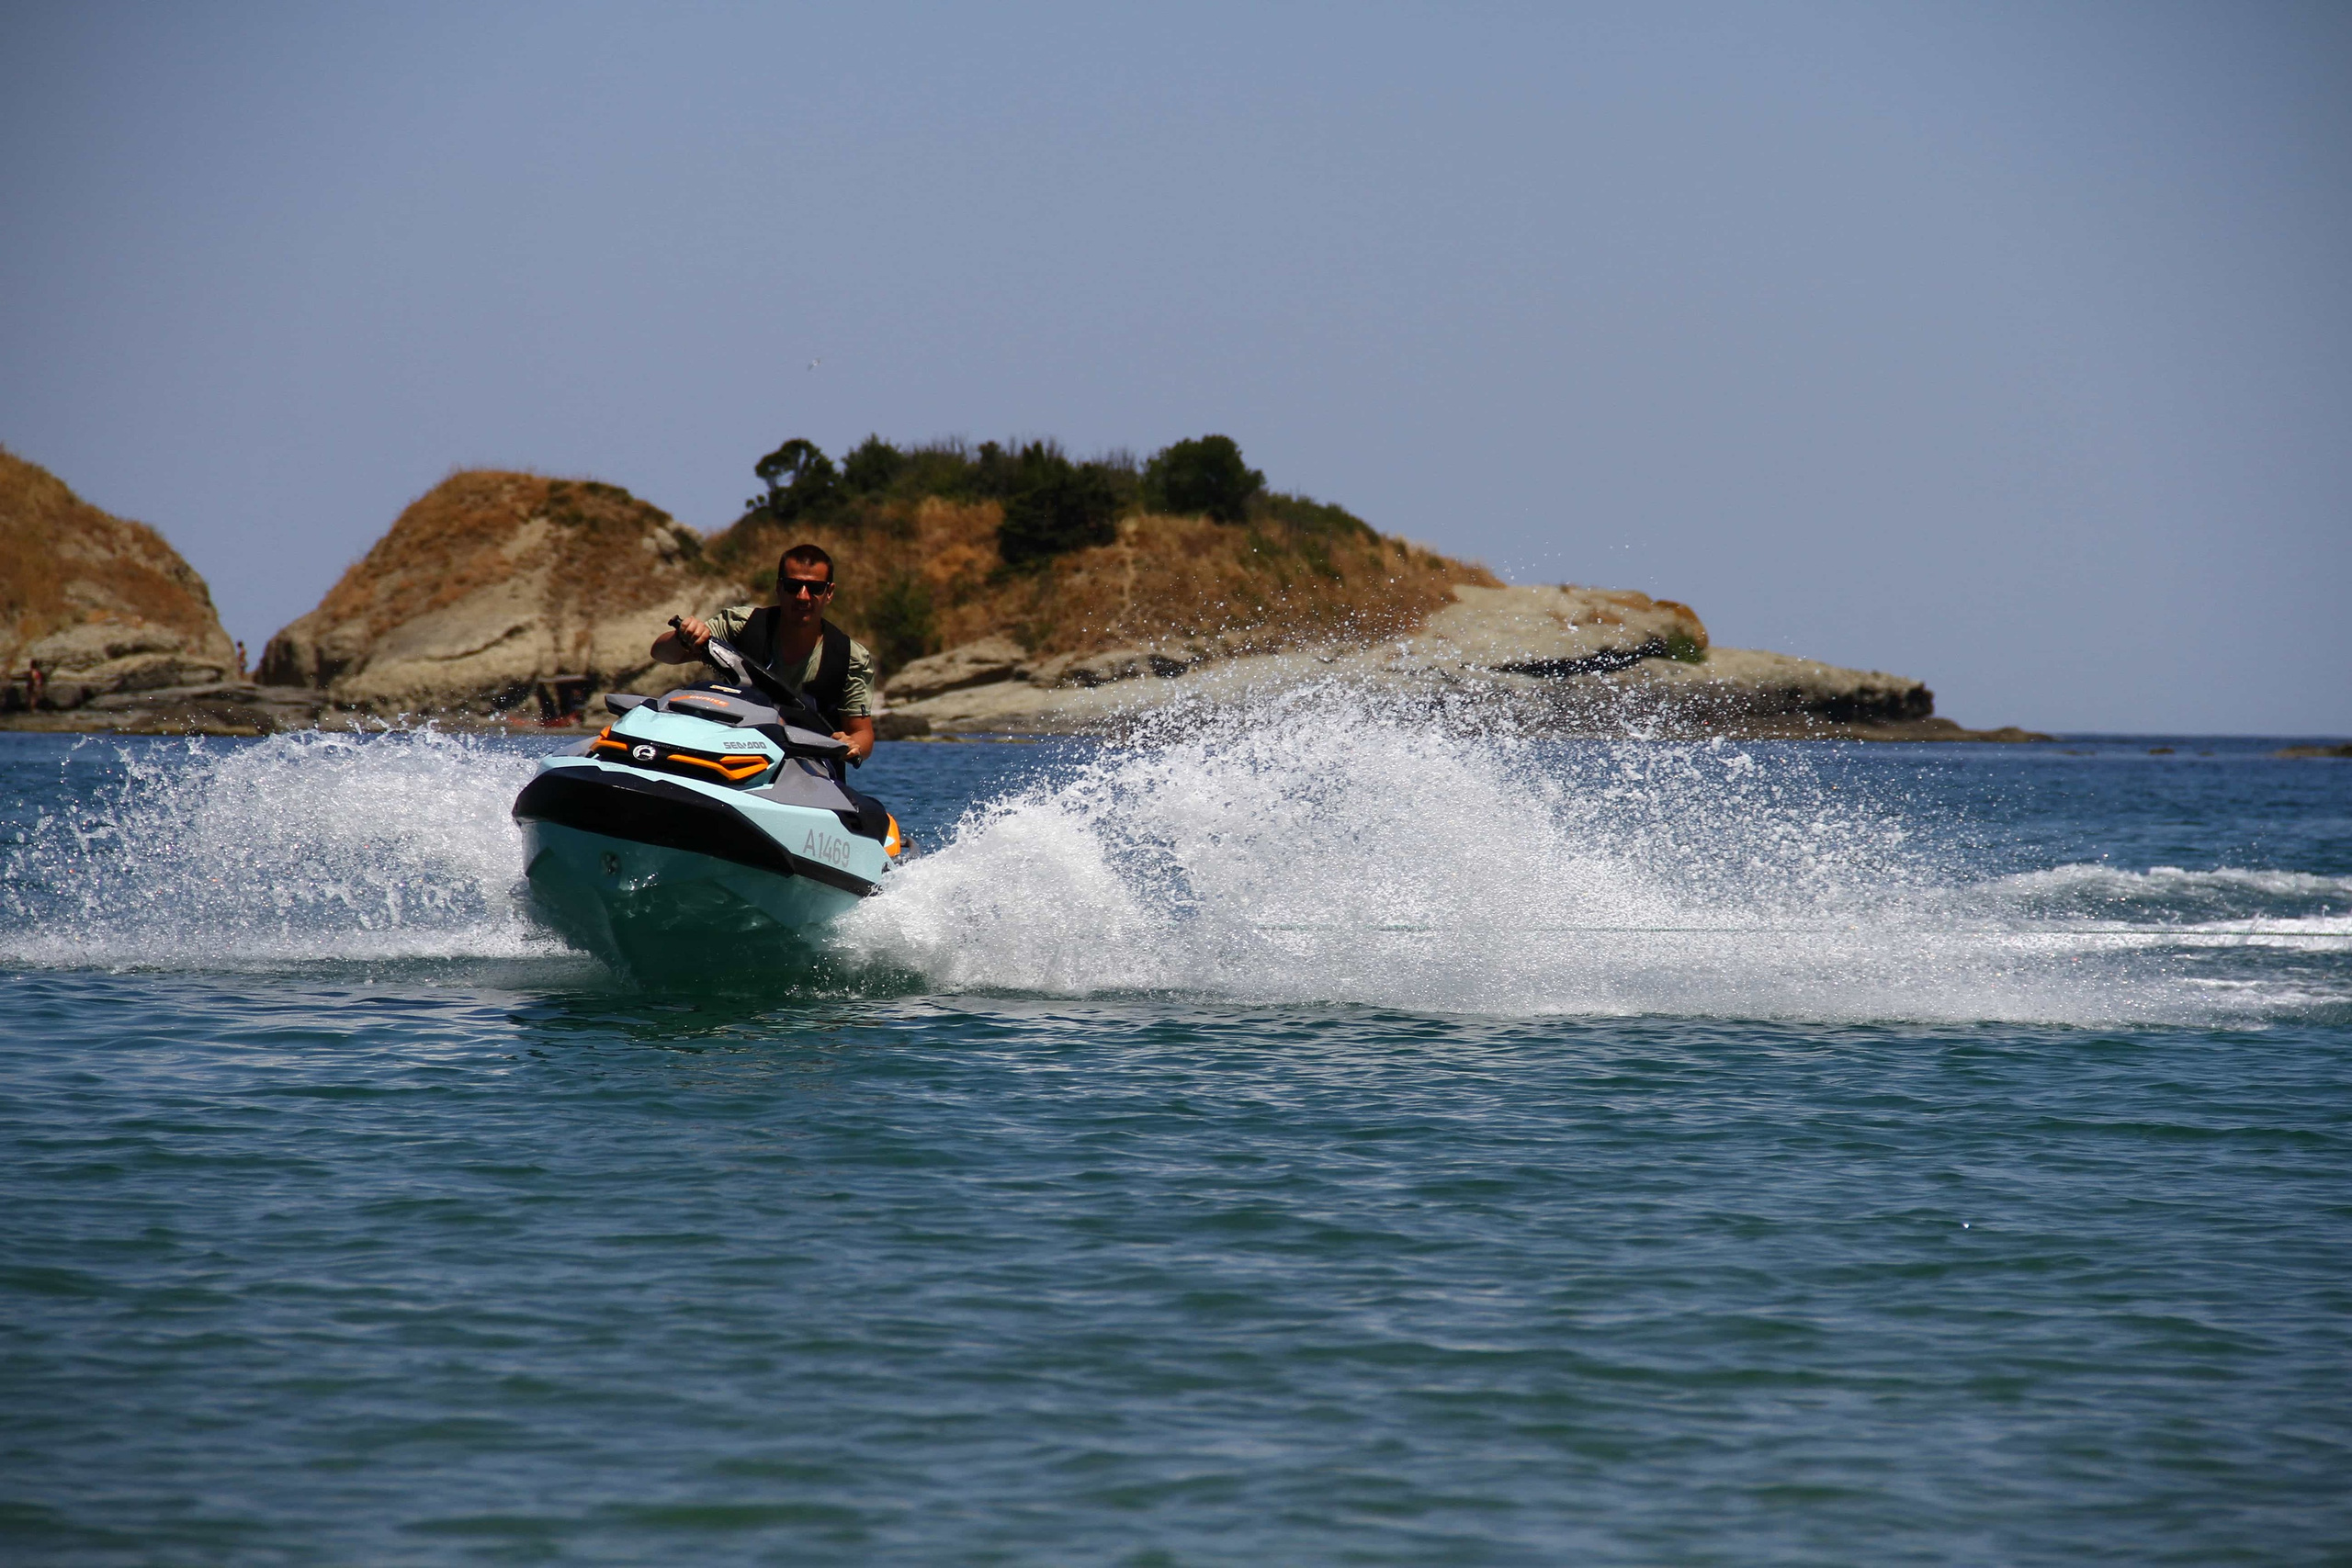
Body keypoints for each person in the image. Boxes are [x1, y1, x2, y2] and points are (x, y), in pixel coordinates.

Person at [651, 543, 876, 763]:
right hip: (731, 751)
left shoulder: (851, 658)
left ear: (829, 593)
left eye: (815, 588)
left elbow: (862, 734)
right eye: (792, 586)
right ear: (779, 587)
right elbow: (662, 653)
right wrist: (685, 635)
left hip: (808, 766)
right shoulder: (740, 625)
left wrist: (853, 745)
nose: (803, 597)